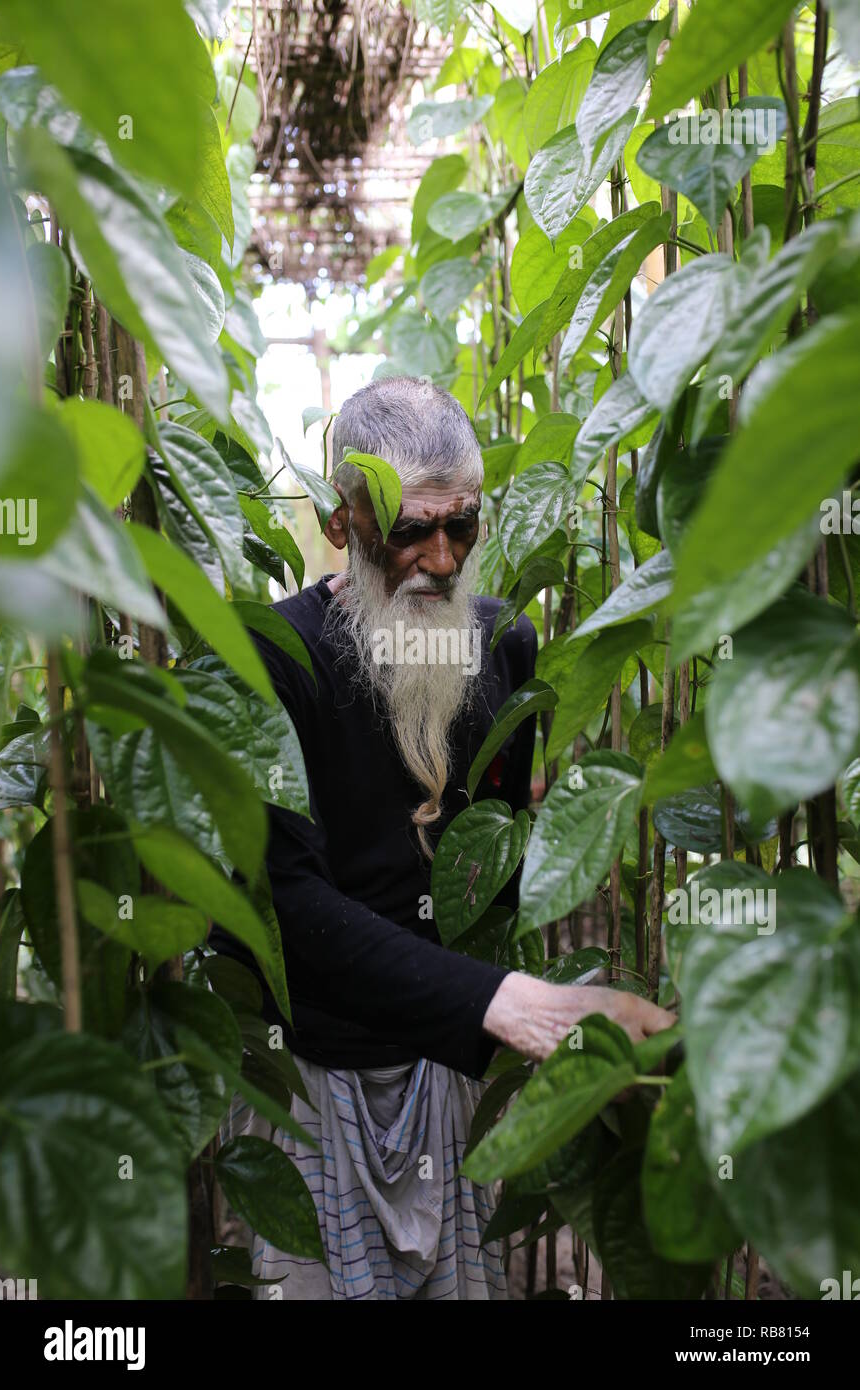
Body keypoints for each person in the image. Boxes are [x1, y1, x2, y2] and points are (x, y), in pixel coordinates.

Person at [211, 375, 674, 1300]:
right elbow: (288, 902)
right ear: (344, 522)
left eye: (459, 527)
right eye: (410, 530)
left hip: (449, 1061)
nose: (440, 558)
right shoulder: (271, 656)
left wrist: (526, 1014)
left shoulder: (505, 648)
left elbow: (490, 880)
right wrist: (506, 1000)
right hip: (311, 1076)